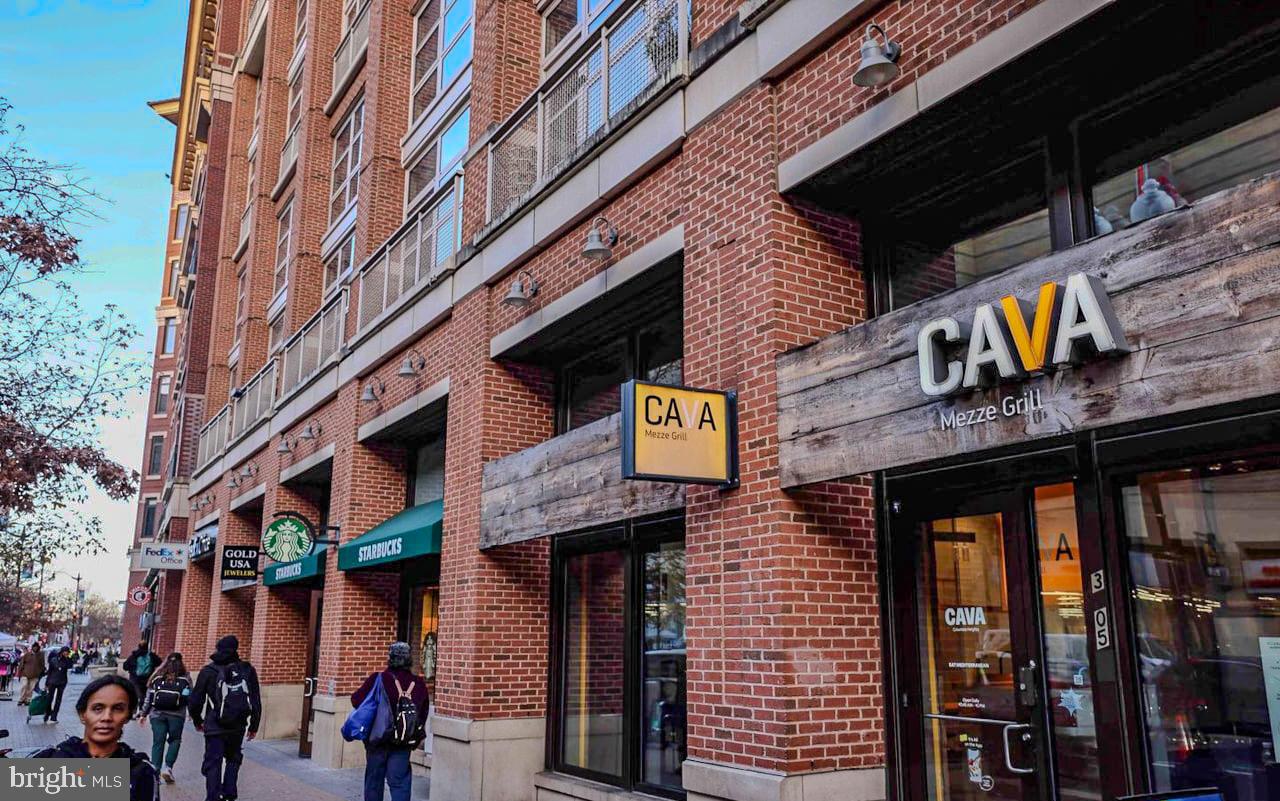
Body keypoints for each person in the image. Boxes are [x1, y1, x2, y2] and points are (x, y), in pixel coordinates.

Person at [34, 674, 160, 801]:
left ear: (128, 716)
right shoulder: (49, 760)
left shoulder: (140, 773)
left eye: (117, 709)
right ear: (82, 714)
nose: (106, 717)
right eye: (98, 708)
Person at [351, 642, 430, 801]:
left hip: (377, 740)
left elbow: (356, 700)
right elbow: (423, 713)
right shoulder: (419, 684)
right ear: (409, 659)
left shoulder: (378, 679)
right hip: (403, 742)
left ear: (390, 658)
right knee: (400, 783)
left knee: (374, 782)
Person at [189, 635, 261, 801]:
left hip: (214, 725)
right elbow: (255, 699)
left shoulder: (208, 671)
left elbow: (195, 701)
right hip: (238, 725)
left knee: (213, 762)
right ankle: (229, 793)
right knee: (233, 759)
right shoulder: (247, 670)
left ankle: (213, 796)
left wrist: (198, 721)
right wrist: (254, 726)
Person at [138, 651, 192, 784]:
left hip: (157, 714)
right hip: (177, 715)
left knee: (158, 741)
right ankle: (168, 768)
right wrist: (191, 713)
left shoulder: (157, 676)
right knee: (175, 740)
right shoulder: (185, 677)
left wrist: (143, 713)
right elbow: (190, 696)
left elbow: (149, 697)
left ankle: (155, 771)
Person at [43, 645, 73, 723]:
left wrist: (68, 658)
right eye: (65, 652)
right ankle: (47, 713)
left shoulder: (67, 660)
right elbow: (49, 672)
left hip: (62, 682)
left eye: (67, 652)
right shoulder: (53, 660)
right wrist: (46, 683)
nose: (66, 653)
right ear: (62, 652)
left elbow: (70, 666)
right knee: (49, 699)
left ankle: (54, 717)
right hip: (52, 681)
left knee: (58, 700)